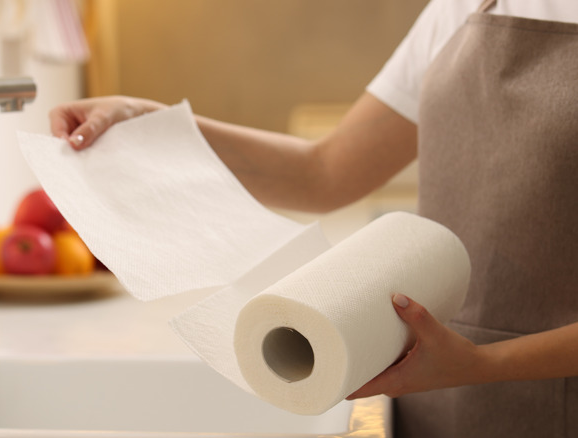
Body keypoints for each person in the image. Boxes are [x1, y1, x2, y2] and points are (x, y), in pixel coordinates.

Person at [48, 0, 578, 436]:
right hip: (437, 389)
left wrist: (483, 365)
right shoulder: (462, 9)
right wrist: (149, 121)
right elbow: (324, 172)